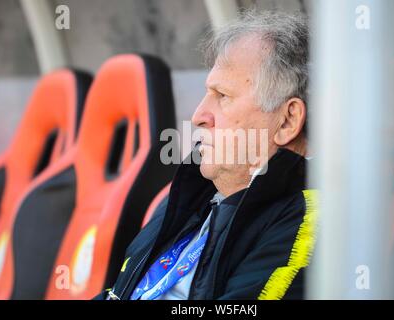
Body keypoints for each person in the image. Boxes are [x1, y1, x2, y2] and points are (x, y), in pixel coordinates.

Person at [96, 9, 316, 300]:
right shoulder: (189, 195)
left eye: (222, 96)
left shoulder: (308, 221)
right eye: (206, 94)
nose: (199, 115)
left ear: (287, 121)